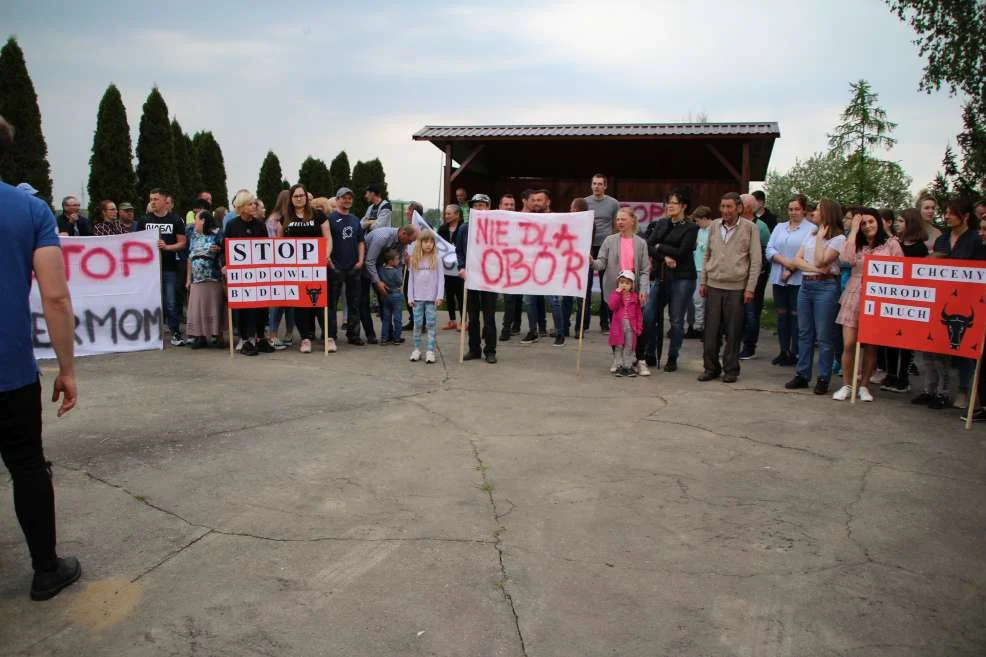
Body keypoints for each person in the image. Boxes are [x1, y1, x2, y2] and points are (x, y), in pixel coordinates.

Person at [0, 115, 81, 600]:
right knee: (27, 466)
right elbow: (55, 298)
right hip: (9, 372)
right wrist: (67, 369)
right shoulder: (30, 211)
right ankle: (45, 568)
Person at [832, 208, 904, 401]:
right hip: (854, 292)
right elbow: (845, 259)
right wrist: (853, 230)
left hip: (878, 295)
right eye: (863, 223)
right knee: (848, 343)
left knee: (871, 344)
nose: (868, 226)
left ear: (878, 222)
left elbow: (901, 268)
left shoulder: (891, 244)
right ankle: (847, 384)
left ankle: (864, 385)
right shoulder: (856, 244)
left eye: (871, 221)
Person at [921, 197, 980, 409]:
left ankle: (963, 390)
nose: (946, 216)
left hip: (967, 301)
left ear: (964, 216)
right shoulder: (943, 239)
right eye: (945, 212)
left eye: (951, 213)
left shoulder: (974, 239)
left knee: (962, 346)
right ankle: (933, 389)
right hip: (941, 298)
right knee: (934, 345)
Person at [698, 192, 762, 383]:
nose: (725, 211)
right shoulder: (714, 226)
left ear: (739, 208)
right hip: (713, 285)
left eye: (729, 207)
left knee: (733, 331)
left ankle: (731, 369)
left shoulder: (750, 228)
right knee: (711, 332)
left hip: (736, 288)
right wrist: (703, 281)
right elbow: (707, 255)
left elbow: (756, 261)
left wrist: (750, 288)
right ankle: (710, 368)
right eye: (723, 207)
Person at [784, 199, 845, 394]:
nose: (814, 213)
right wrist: (815, 269)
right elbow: (797, 260)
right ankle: (802, 374)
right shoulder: (810, 234)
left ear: (828, 213)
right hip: (807, 284)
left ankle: (823, 377)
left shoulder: (838, 239)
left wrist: (820, 238)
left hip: (826, 288)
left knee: (824, 335)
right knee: (804, 332)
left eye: (818, 210)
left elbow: (822, 259)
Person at [643, 189, 698, 373]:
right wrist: (664, 256)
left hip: (682, 278)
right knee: (649, 315)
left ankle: (673, 356)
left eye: (674, 203)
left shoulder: (691, 228)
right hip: (662, 275)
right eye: (668, 203)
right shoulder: (661, 223)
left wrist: (662, 247)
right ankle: (649, 352)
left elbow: (683, 252)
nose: (670, 206)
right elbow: (648, 245)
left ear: (683, 206)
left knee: (676, 320)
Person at [591, 206, 650, 374]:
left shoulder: (641, 243)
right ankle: (618, 360)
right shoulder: (609, 240)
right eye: (618, 219)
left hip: (634, 293)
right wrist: (591, 262)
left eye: (623, 219)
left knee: (637, 328)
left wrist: (643, 289)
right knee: (616, 328)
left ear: (632, 220)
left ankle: (639, 360)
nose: (620, 222)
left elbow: (645, 270)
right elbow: (601, 263)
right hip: (614, 292)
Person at [279, 184, 333, 353]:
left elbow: (328, 238)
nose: (299, 198)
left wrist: (326, 255)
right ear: (291, 198)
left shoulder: (318, 215)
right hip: (296, 269)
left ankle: (328, 337)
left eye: (302, 195)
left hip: (318, 266)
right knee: (301, 304)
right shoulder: (286, 217)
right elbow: (280, 241)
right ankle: (305, 338)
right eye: (296, 196)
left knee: (322, 301)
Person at [879, 209, 928, 393]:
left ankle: (903, 377)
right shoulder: (894, 244)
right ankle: (890, 374)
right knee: (890, 338)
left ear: (911, 223)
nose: (897, 223)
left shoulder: (919, 248)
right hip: (893, 296)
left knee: (906, 341)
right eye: (897, 220)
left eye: (901, 220)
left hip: (910, 298)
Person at [134, 188, 188, 346]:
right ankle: (149, 332)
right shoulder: (144, 220)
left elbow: (183, 243)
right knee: (149, 300)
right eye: (151, 199)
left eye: (156, 199)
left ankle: (175, 332)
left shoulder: (175, 220)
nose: (153, 201)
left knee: (170, 301)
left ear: (166, 201)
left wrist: (167, 247)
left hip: (169, 267)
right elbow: (136, 242)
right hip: (149, 269)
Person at [765, 194, 814, 366]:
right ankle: (783, 350)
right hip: (779, 276)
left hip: (799, 278)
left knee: (796, 316)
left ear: (804, 210)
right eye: (790, 209)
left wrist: (792, 268)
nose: (793, 212)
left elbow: (809, 252)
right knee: (782, 315)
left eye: (797, 209)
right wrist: (785, 262)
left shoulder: (810, 229)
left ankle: (796, 352)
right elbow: (770, 249)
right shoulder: (780, 227)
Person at [223, 190, 273, 356]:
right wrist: (225, 265)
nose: (254, 206)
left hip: (258, 273)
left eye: (254, 204)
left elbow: (266, 248)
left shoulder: (260, 225)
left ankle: (260, 337)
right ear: (242, 207)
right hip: (241, 275)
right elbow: (226, 249)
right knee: (243, 307)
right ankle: (245, 339)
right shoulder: (232, 225)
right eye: (251, 204)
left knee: (261, 306)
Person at [364, 224, 419, 344]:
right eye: (410, 240)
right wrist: (378, 282)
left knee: (385, 298)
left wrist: (394, 283)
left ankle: (389, 334)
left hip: (380, 267)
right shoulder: (382, 237)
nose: (410, 244)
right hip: (365, 264)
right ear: (403, 233)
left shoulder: (403, 242)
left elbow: (398, 264)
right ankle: (370, 335)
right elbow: (369, 261)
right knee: (364, 301)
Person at [459, 194, 498, 363]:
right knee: (473, 317)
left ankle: (490, 351)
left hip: (490, 277)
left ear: (489, 207)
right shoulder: (464, 229)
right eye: (476, 205)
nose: (479, 208)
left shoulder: (496, 227)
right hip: (471, 277)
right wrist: (461, 267)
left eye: (482, 205)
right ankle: (474, 349)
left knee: (489, 317)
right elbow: (459, 251)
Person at [327, 187, 366, 350]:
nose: (347, 200)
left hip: (353, 267)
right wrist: (329, 262)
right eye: (343, 198)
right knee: (332, 304)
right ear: (337, 200)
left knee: (354, 303)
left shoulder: (355, 220)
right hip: (335, 266)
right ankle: (330, 336)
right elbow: (326, 241)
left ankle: (354, 334)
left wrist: (361, 260)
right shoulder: (330, 219)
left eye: (350, 198)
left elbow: (360, 241)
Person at [583, 174, 620, 333]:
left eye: (600, 184)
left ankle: (605, 323)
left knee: (608, 285)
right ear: (591, 185)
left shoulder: (613, 203)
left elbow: (616, 224)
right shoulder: (585, 202)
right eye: (594, 183)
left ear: (605, 186)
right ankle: (583, 324)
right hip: (589, 246)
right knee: (587, 285)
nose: (596, 186)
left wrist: (614, 241)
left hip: (607, 247)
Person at [184, 209, 225, 349]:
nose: (194, 222)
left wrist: (219, 249)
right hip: (197, 279)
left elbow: (225, 250)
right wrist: (188, 278)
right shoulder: (193, 236)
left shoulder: (217, 234)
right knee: (196, 309)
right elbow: (190, 258)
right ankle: (198, 336)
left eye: (196, 219)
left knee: (214, 307)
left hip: (213, 278)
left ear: (203, 220)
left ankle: (217, 336)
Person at [739, 193, 771, 360]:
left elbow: (765, 253)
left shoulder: (762, 227)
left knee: (751, 311)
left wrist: (756, 272)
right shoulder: (735, 225)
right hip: (736, 276)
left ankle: (749, 346)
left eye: (739, 204)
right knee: (738, 312)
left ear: (747, 208)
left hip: (754, 276)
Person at [408, 232, 445, 364]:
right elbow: (410, 279)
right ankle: (417, 349)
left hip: (431, 299)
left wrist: (439, 295)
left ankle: (430, 351)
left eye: (431, 242)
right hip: (417, 299)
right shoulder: (413, 259)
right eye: (425, 241)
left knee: (431, 324)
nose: (428, 244)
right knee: (417, 324)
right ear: (420, 243)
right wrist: (410, 296)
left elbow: (441, 279)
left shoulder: (437, 258)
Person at [608, 271, 644, 377]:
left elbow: (638, 314)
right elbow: (612, 306)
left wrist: (639, 327)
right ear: (618, 283)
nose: (624, 285)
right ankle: (619, 366)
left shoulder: (635, 297)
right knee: (618, 346)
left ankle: (627, 366)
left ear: (632, 285)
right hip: (618, 327)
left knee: (629, 346)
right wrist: (617, 294)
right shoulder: (616, 295)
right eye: (622, 282)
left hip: (630, 328)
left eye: (627, 283)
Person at [498, 193, 524, 341]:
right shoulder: (493, 222)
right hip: (496, 265)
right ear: (500, 206)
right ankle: (513, 325)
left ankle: (507, 328)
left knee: (513, 298)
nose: (509, 207)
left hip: (515, 265)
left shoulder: (520, 222)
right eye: (506, 204)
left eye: (511, 205)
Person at [437, 204, 466, 330]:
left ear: (457, 215)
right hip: (446, 268)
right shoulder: (442, 230)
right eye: (446, 213)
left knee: (460, 295)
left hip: (459, 268)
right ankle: (452, 320)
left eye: (449, 213)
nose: (446, 216)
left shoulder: (463, 229)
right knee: (449, 294)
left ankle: (463, 321)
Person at [686, 206, 712, 339]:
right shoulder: (700, 230)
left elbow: (710, 247)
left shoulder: (713, 230)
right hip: (697, 266)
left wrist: (699, 244)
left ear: (704, 218)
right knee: (697, 299)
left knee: (700, 300)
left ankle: (700, 327)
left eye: (698, 221)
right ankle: (698, 325)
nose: (696, 224)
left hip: (705, 268)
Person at [378, 249, 405, 344]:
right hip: (396, 294)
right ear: (391, 261)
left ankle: (384, 338)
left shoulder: (381, 270)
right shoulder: (396, 271)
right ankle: (397, 338)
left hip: (386, 295)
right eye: (397, 259)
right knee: (397, 318)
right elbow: (400, 282)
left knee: (386, 319)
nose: (398, 261)